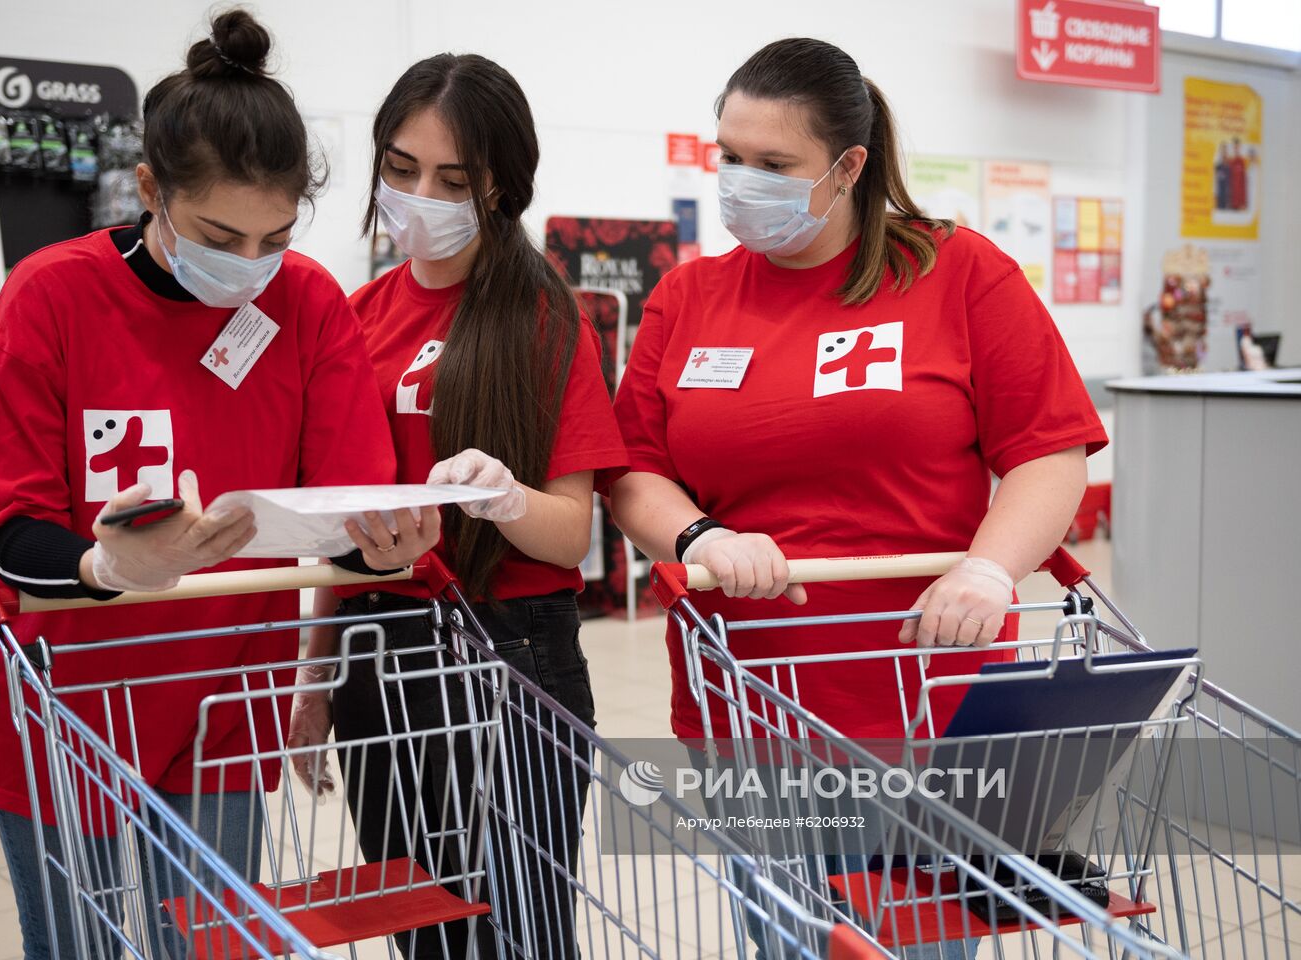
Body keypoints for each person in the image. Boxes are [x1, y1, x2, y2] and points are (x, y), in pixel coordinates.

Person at [0, 11, 437, 959]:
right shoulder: (52, 297)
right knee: (77, 941)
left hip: (221, 687)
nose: (250, 267)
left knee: (207, 944)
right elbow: (3, 518)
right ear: (150, 190)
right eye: (218, 233)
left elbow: (345, 492)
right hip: (64, 687)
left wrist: (389, 535)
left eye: (275, 235)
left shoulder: (308, 303)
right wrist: (107, 562)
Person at [609, 38, 1106, 960]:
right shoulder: (690, 297)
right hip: (750, 700)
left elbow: (1049, 452)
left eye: (772, 164)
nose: (739, 181)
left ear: (848, 167)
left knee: (918, 945)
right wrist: (702, 533)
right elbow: (634, 469)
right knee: (787, 940)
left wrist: (992, 570)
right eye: (729, 156)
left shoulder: (957, 273)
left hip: (929, 703)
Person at [287, 53, 629, 959]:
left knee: (514, 931)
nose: (418, 196)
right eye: (400, 169)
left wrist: (503, 497)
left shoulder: (544, 320)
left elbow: (566, 537)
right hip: (375, 647)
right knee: (420, 927)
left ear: (501, 189)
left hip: (506, 653)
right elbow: (341, 527)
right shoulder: (354, 317)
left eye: (453, 180)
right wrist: (317, 675)